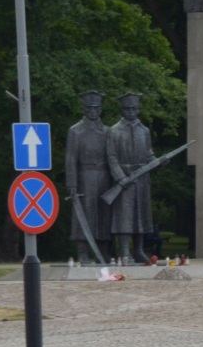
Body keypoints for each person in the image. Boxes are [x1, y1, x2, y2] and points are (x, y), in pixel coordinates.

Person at [106, 92, 158, 265]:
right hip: (125, 179)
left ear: (138, 109)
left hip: (142, 179)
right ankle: (125, 252)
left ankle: (139, 250)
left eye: (134, 108)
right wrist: (121, 177)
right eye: (127, 108)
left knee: (141, 216)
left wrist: (158, 162)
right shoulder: (114, 131)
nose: (130, 111)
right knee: (124, 217)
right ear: (122, 110)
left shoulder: (145, 131)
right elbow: (111, 157)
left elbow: (149, 154)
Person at [64, 90, 111, 264]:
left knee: (103, 214)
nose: (93, 111)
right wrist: (72, 182)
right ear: (84, 109)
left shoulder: (107, 131)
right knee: (83, 214)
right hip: (84, 177)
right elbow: (70, 158)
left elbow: (112, 157)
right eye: (89, 107)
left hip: (104, 177)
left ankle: (104, 252)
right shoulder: (75, 131)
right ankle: (83, 252)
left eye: (96, 108)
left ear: (100, 109)